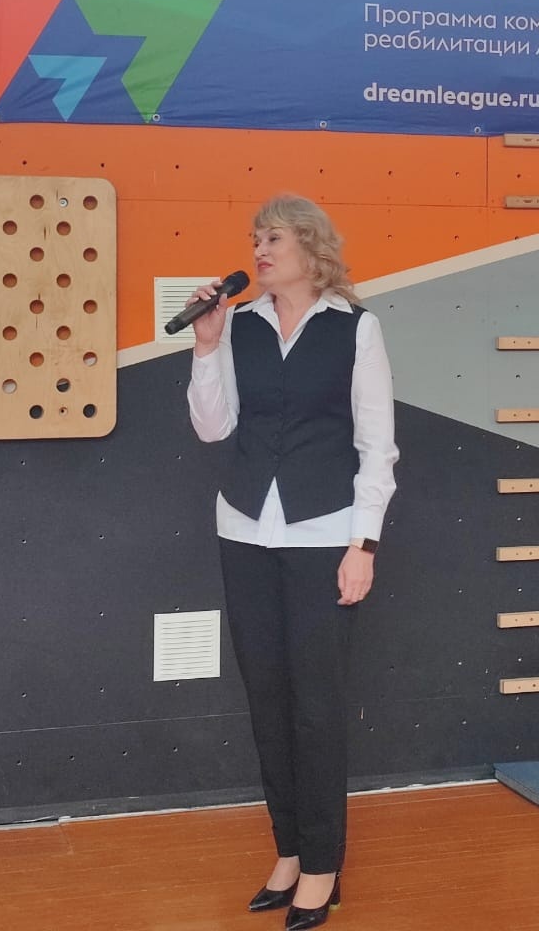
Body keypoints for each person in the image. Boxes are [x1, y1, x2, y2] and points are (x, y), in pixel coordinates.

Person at [186, 194, 398, 928]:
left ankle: (323, 865)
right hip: (244, 530)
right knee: (268, 703)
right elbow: (213, 428)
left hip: (325, 535)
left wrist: (363, 545)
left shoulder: (355, 328)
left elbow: (377, 446)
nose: (259, 249)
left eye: (272, 237)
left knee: (316, 708)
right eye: (255, 238)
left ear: (310, 246)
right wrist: (206, 346)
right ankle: (289, 850)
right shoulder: (238, 325)